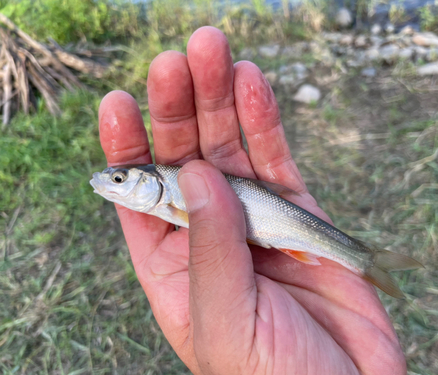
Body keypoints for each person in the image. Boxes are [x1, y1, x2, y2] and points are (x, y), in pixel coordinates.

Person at [97, 26, 407, 375]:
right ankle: (365, 259)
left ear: (151, 182)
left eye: (119, 179)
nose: (111, 183)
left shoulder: (172, 199)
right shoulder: (165, 195)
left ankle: (363, 259)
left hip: (268, 220)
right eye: (117, 179)